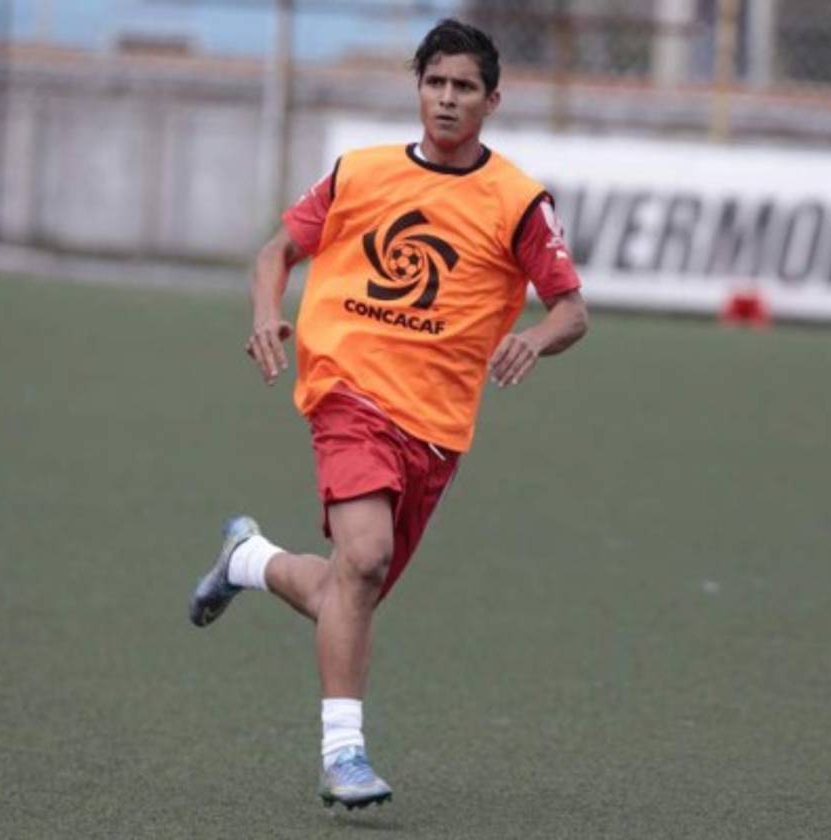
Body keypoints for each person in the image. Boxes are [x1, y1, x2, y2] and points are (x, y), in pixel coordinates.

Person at [188, 18, 588, 811]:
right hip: (348, 391)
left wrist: (534, 339)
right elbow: (275, 253)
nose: (447, 99)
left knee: (346, 591)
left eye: (464, 87)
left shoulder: (517, 202)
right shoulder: (360, 172)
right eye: (435, 83)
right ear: (418, 89)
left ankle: (247, 560)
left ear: (492, 100)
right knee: (364, 559)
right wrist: (267, 314)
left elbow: (572, 311)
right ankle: (344, 756)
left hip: (436, 427)